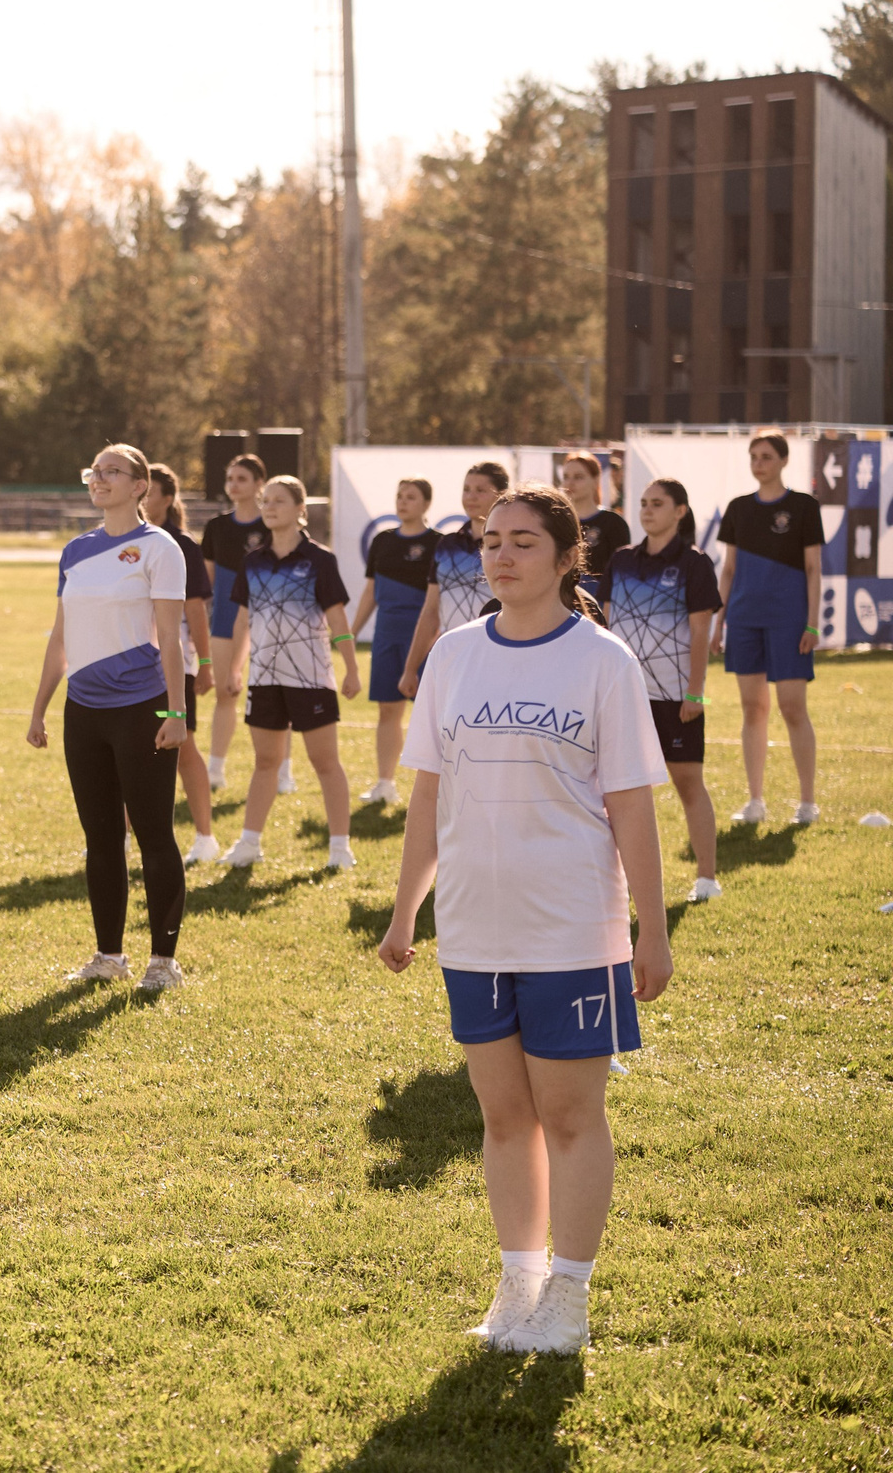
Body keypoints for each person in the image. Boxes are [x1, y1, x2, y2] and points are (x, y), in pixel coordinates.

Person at [378, 484, 671, 1357]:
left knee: (571, 1115)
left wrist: (649, 932)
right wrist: (405, 913)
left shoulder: (604, 660)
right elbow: (428, 796)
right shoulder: (455, 657)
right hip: (474, 925)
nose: (500, 556)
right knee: (502, 1114)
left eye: (522, 543)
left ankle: (571, 1299)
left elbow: (633, 810)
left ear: (565, 556)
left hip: (572, 926)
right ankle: (520, 1281)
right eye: (490, 541)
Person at [27, 445, 189, 990]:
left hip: (142, 709)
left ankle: (163, 962)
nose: (98, 479)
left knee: (153, 835)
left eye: (111, 472)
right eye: (93, 472)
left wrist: (176, 712)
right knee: (100, 838)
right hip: (84, 711)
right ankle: (108, 956)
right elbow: (59, 635)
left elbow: (171, 638)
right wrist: (40, 708)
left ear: (141, 486)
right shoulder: (75, 550)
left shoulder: (158, 549)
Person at [222, 476, 360, 871]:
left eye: (279, 501)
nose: (269, 506)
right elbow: (243, 621)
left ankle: (339, 847)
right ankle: (249, 844)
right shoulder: (252, 562)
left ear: (301, 509)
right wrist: (234, 667)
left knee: (325, 763)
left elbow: (339, 620)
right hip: (263, 678)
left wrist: (350, 668)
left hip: (311, 679)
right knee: (266, 762)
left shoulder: (321, 561)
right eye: (266, 500)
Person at [604, 478, 724, 904]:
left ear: (680, 512)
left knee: (689, 784)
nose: (647, 510)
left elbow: (700, 632)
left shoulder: (695, 563)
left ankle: (706, 878)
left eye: (657, 504)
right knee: (612, 794)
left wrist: (696, 693)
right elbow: (606, 626)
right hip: (622, 698)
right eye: (643, 503)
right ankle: (612, 884)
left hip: (675, 697)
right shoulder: (620, 560)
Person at [712, 431, 824, 826]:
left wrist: (812, 622)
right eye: (754, 456)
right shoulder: (739, 508)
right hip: (744, 618)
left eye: (766, 456)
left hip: (789, 619)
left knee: (793, 708)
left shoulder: (804, 507)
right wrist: (718, 623)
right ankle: (755, 800)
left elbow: (813, 570)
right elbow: (728, 570)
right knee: (752, 709)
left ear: (782, 461)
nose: (759, 463)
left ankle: (807, 802)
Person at [142, 463, 220, 864]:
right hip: (131, 664)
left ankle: (204, 837)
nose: (143, 500)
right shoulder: (123, 540)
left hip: (176, 663)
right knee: (132, 750)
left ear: (168, 499)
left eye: (150, 492)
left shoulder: (181, 545)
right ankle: (122, 838)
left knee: (183, 748)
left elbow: (196, 610)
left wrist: (205, 663)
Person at [346, 475, 437, 807]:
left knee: (430, 714)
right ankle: (385, 783)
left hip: (425, 638)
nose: (403, 501)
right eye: (400, 495)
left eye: (411, 497)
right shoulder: (382, 541)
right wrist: (352, 633)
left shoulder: (438, 544)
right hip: (386, 635)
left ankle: (433, 788)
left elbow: (438, 602)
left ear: (426, 504)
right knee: (388, 710)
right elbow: (370, 592)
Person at [401, 460, 507, 700]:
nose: (471, 496)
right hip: (453, 661)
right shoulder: (446, 545)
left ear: (501, 495)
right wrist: (411, 669)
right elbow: (430, 611)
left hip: (499, 660)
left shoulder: (509, 547)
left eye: (480, 490)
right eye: (466, 489)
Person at [198, 452, 268, 794]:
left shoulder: (272, 524)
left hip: (270, 623)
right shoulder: (216, 527)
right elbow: (206, 582)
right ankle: (215, 769)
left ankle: (281, 770)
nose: (234, 485)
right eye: (230, 478)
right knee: (226, 691)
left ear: (259, 484)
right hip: (225, 620)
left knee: (273, 697)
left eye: (242, 478)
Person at [562, 452, 629, 605]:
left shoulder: (613, 523)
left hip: (601, 609)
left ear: (595, 480)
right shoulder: (557, 523)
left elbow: (622, 576)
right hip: (563, 608)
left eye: (578, 477)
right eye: (566, 477)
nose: (570, 483)